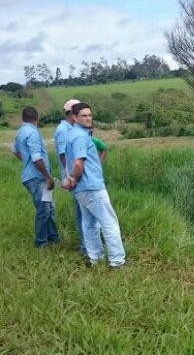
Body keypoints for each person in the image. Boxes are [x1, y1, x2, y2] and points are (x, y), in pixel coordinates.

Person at [64, 102, 126, 269]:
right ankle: (117, 262)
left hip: (82, 189)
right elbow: (78, 163)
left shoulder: (73, 135)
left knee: (89, 224)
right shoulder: (80, 137)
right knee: (109, 223)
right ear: (74, 117)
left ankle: (95, 259)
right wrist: (75, 178)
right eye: (84, 115)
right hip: (91, 187)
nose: (88, 118)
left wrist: (72, 180)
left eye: (90, 115)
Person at [12, 106, 60, 247]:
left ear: (23, 118)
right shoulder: (32, 133)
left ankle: (53, 238)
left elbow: (14, 150)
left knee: (49, 208)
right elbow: (36, 157)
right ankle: (41, 243)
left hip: (35, 176)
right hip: (38, 178)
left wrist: (25, 161)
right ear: (37, 118)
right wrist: (47, 177)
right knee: (43, 210)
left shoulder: (20, 132)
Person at [54, 99, 86, 255]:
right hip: (73, 177)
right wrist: (69, 177)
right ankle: (85, 248)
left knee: (84, 212)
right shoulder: (62, 130)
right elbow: (63, 156)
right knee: (82, 213)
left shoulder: (73, 129)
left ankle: (86, 246)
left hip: (77, 175)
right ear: (72, 114)